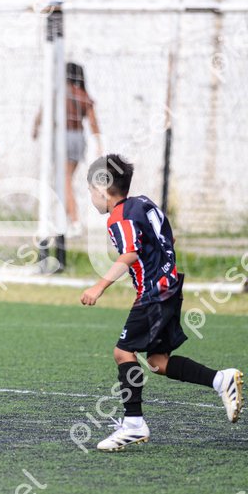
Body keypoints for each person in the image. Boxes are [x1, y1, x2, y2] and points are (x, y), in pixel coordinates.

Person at [81, 154, 242, 451]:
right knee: (157, 362)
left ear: (103, 189)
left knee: (123, 352)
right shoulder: (144, 203)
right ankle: (221, 380)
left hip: (154, 293)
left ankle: (133, 424)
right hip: (170, 286)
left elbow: (130, 252)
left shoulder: (119, 217)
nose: (90, 197)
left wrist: (99, 286)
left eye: (90, 190)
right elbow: (170, 237)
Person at [33, 62, 102, 237]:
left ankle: (75, 221)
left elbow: (43, 112)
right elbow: (93, 122)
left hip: (63, 137)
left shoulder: (58, 94)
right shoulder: (83, 95)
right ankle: (64, 219)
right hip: (78, 138)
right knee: (65, 180)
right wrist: (98, 143)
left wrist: (35, 128)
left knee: (65, 180)